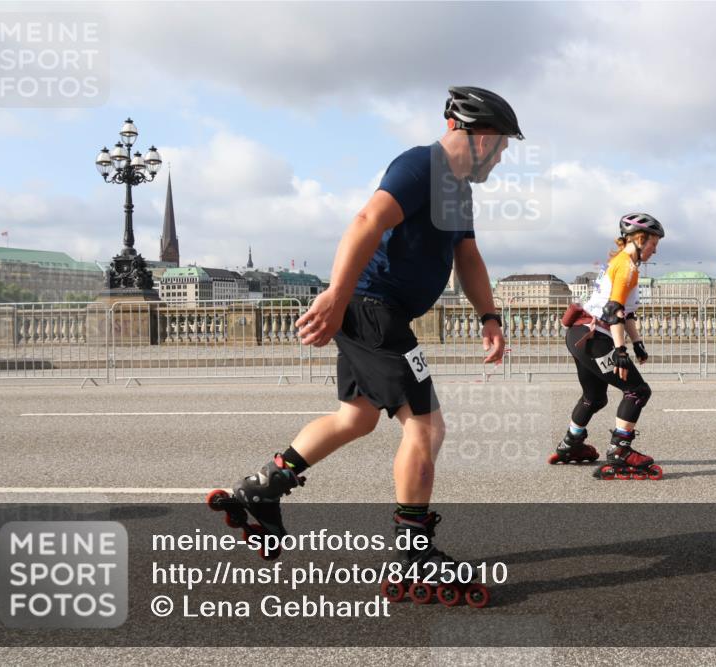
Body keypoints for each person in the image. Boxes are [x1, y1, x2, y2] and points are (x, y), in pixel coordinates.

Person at [212, 87, 520, 588]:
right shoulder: (422, 166)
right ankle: (414, 554)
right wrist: (336, 294)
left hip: (377, 311)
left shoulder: (457, 190)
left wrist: (490, 315)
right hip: (373, 308)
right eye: (502, 143)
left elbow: (468, 258)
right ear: (478, 134)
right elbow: (367, 221)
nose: (503, 155)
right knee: (426, 428)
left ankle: (261, 488)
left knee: (355, 418)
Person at [551, 213, 666, 481]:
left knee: (594, 397)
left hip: (580, 334)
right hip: (595, 338)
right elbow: (614, 311)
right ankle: (620, 450)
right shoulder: (626, 266)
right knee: (637, 391)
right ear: (640, 239)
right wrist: (621, 352)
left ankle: (571, 443)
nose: (655, 250)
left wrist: (637, 344)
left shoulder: (620, 263)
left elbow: (627, 314)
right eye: (653, 244)